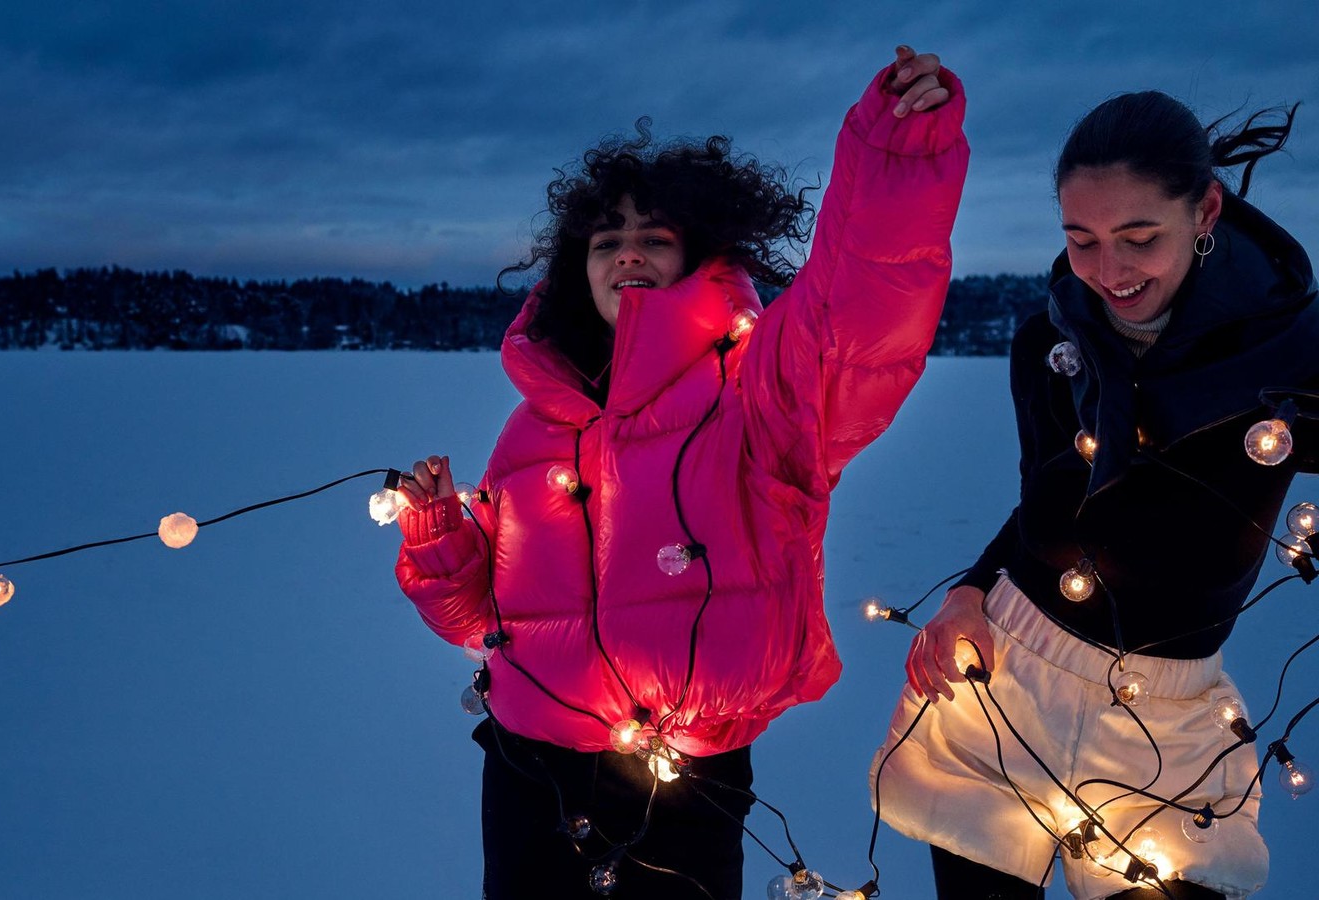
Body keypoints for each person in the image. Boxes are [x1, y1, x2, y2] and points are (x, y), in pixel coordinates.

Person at [390, 46, 968, 899]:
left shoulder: (757, 395)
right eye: (606, 240)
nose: (626, 255)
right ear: (573, 268)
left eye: (653, 239)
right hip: (524, 773)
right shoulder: (534, 426)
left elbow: (857, 311)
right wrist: (441, 540)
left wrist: (893, 157)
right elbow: (483, 623)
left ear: (697, 256)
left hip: (680, 786)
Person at [873, 91, 1318, 900]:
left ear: (1206, 208)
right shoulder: (1050, 342)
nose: (1109, 271)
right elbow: (1043, 507)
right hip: (1003, 684)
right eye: (1081, 241)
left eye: (1139, 237)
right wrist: (969, 591)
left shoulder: (1288, 354)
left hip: (1168, 726)